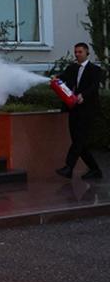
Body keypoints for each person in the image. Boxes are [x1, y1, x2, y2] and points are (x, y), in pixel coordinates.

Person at [54, 42, 103, 180]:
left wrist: (83, 96)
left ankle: (69, 167)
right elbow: (62, 77)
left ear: (87, 53)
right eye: (75, 52)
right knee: (78, 141)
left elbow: (94, 87)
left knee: (79, 140)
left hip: (88, 110)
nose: (77, 54)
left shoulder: (95, 69)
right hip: (74, 109)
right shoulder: (72, 68)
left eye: (80, 52)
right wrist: (55, 78)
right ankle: (95, 170)